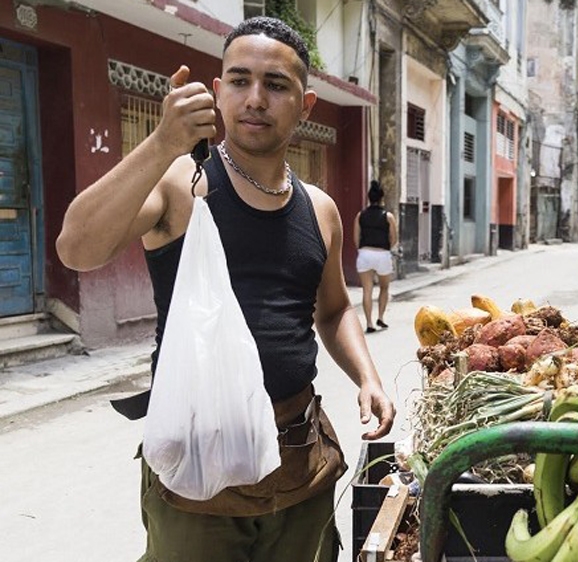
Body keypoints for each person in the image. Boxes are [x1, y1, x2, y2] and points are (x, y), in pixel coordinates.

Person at [56, 17, 394, 562]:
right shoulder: (180, 187)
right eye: (239, 81)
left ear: (305, 104)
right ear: (217, 92)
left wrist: (368, 376)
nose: (255, 99)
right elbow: (77, 247)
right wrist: (164, 142)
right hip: (197, 472)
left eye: (276, 85)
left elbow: (332, 311)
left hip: (297, 460)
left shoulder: (321, 209)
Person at [355, 181, 398, 333]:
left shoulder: (360, 215)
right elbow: (394, 238)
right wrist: (387, 248)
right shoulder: (388, 216)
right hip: (382, 254)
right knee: (384, 287)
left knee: (367, 290)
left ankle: (369, 324)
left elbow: (356, 238)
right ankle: (380, 317)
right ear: (381, 198)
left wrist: (364, 250)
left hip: (365, 254)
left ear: (369, 198)